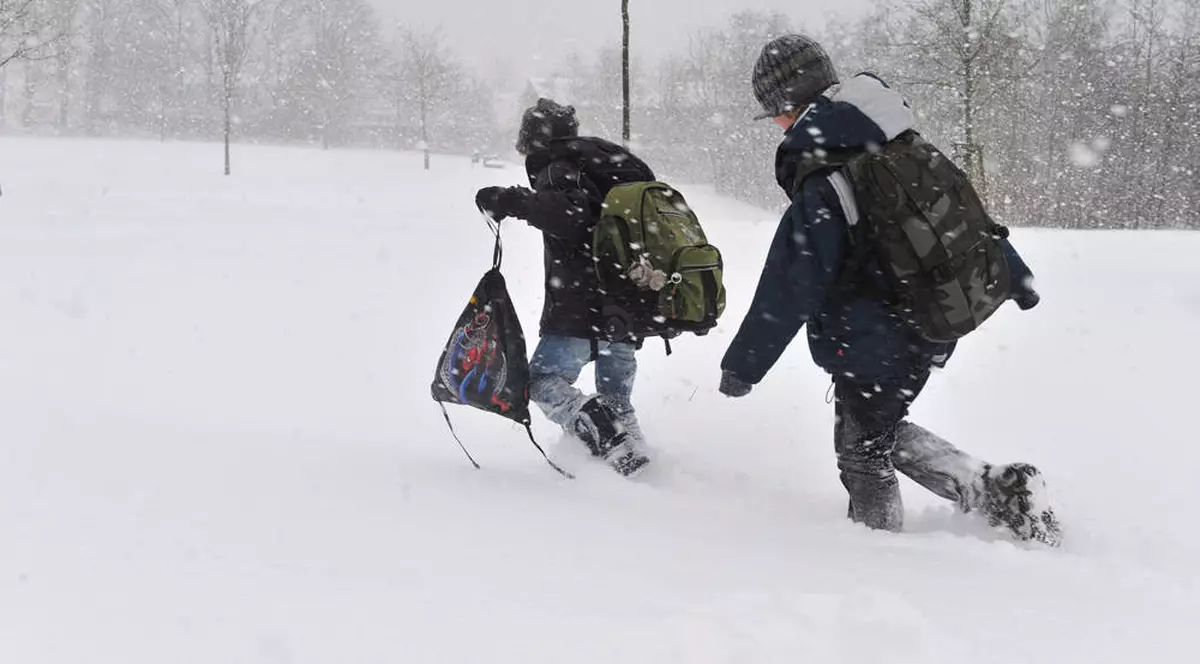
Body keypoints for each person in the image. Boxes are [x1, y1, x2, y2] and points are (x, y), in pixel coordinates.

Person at [718, 35, 1061, 545]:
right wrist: (1015, 275)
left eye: (775, 114)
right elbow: (966, 218)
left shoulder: (827, 179)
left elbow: (789, 285)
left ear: (790, 106)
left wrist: (744, 366)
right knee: (877, 429)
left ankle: (883, 553)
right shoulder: (904, 144)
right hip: (931, 318)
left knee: (861, 451)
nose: (777, 125)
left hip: (873, 338)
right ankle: (993, 490)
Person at [474, 98, 656, 477]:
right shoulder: (606, 167)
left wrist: (512, 200)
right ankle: (640, 468)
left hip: (583, 306)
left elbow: (572, 216)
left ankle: (611, 442)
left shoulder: (558, 168)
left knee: (540, 381)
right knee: (616, 399)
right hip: (628, 305)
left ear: (531, 140)